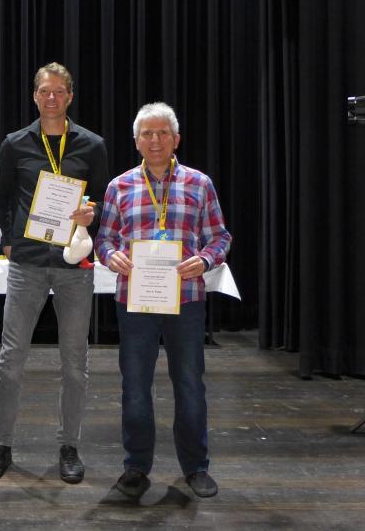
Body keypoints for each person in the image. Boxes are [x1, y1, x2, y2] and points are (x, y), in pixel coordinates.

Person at [0, 63, 110, 485]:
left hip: (74, 266)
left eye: (59, 91)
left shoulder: (92, 145)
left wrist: (92, 213)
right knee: (11, 359)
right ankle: (0, 444)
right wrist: (7, 243)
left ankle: (69, 446)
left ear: (70, 96)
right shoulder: (15, 143)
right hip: (27, 263)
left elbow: (103, 202)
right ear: (35, 96)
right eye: (44, 91)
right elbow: (0, 199)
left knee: (74, 363)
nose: (51, 98)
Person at [96, 102, 232, 499]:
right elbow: (104, 238)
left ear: (176, 139)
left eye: (162, 133)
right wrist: (110, 255)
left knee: (189, 384)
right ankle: (136, 466)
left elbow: (220, 237)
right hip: (134, 302)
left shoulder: (200, 184)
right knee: (135, 386)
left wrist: (205, 260)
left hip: (186, 300)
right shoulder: (118, 187)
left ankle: (195, 467)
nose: (155, 140)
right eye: (147, 134)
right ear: (136, 141)